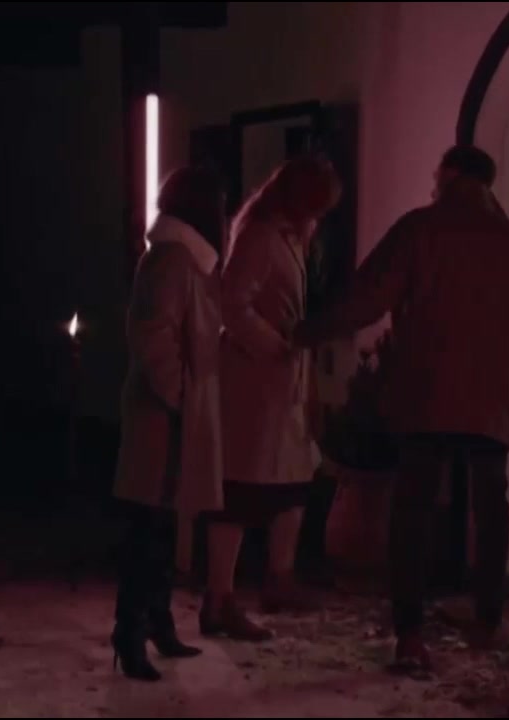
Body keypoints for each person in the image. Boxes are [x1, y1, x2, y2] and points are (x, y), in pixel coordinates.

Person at [297, 145, 509, 673]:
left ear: (454, 175)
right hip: (495, 398)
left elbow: (367, 297)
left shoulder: (419, 230)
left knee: (412, 508)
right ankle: (489, 617)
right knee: (492, 506)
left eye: (438, 175)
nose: (434, 184)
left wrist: (306, 331)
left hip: (426, 392)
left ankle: (411, 632)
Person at [204, 155, 342, 639]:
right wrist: (276, 344)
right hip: (254, 381)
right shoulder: (262, 237)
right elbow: (232, 304)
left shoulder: (290, 237)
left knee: (292, 480)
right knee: (242, 489)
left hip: (281, 380)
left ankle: (279, 578)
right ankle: (219, 598)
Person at [110, 165, 230, 682]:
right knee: (146, 528)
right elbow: (153, 337)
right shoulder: (174, 260)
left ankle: (155, 624)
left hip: (171, 413)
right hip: (162, 416)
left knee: (159, 527)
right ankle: (131, 632)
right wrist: (181, 395)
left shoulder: (181, 259)